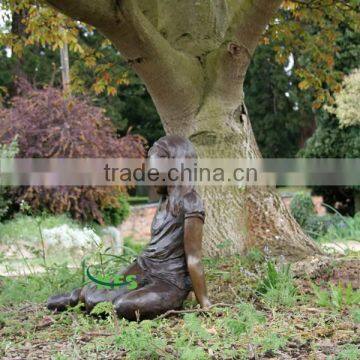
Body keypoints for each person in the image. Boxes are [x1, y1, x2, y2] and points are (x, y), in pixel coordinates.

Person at [47, 135, 211, 320]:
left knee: (123, 306)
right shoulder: (164, 201)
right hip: (145, 266)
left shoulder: (191, 201)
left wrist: (205, 304)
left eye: (155, 172)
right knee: (97, 300)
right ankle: (78, 296)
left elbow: (194, 258)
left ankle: (90, 299)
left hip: (170, 280)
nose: (150, 176)